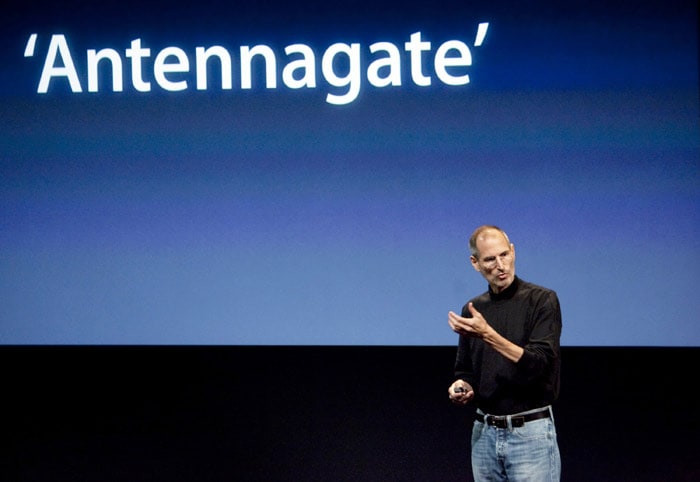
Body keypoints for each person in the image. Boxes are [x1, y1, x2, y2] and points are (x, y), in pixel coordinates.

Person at [447, 225, 562, 481]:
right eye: (490, 259)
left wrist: (488, 334)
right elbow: (465, 369)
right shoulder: (473, 309)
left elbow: (540, 363)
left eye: (504, 255)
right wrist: (461, 385)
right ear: (475, 263)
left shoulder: (542, 301)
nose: (501, 265)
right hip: (485, 434)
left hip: (530, 435)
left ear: (513, 252)